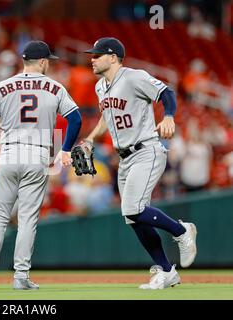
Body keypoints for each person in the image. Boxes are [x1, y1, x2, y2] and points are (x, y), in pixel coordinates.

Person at [81, 37, 197, 290]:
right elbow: (106, 117)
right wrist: (90, 138)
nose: (92, 59)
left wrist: (168, 116)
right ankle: (167, 271)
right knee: (133, 217)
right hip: (124, 158)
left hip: (146, 149)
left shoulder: (133, 77)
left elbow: (167, 92)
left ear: (113, 57)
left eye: (97, 55)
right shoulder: (101, 87)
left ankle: (181, 230)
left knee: (133, 208)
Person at [0, 40, 82, 290]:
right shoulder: (54, 87)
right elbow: (75, 119)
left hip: (9, 155)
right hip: (37, 156)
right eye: (48, 61)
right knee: (27, 219)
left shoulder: (3, 85)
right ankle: (21, 277)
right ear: (43, 62)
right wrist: (64, 150)